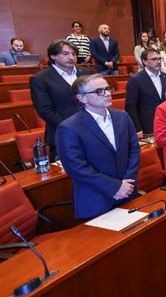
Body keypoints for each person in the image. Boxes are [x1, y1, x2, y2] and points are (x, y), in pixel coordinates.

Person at [56, 74, 139, 219]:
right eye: (99, 91)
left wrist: (127, 183)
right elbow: (77, 168)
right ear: (82, 98)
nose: (107, 93)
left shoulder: (122, 116)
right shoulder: (69, 127)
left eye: (108, 88)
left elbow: (134, 149)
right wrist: (115, 187)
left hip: (128, 192)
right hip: (97, 200)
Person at [30, 40, 92, 157]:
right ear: (53, 56)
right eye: (65, 54)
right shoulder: (40, 79)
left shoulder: (86, 72)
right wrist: (73, 125)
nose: (71, 57)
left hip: (92, 130)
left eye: (74, 54)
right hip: (63, 132)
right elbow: (45, 110)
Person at [125, 49, 166, 136]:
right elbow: (130, 106)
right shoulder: (135, 80)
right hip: (148, 126)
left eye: (160, 59)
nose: (158, 62)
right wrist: (137, 129)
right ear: (145, 62)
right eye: (154, 59)